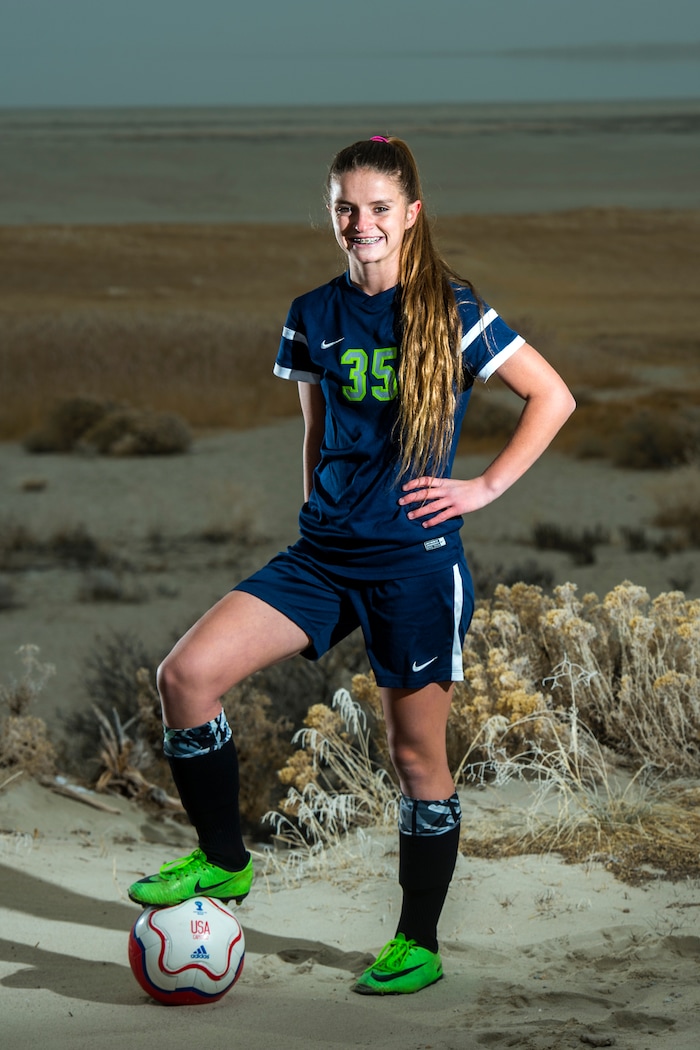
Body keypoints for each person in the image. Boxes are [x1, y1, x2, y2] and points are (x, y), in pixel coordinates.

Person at [128, 136, 575, 995]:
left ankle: (418, 943)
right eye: (345, 207)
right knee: (186, 676)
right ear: (331, 213)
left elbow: (552, 395)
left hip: (414, 564)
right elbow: (315, 430)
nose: (360, 223)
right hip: (323, 555)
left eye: (377, 208)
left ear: (410, 214)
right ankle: (224, 861)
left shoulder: (450, 307)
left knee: (415, 758)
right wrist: (315, 515)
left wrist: (481, 488)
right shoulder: (311, 311)